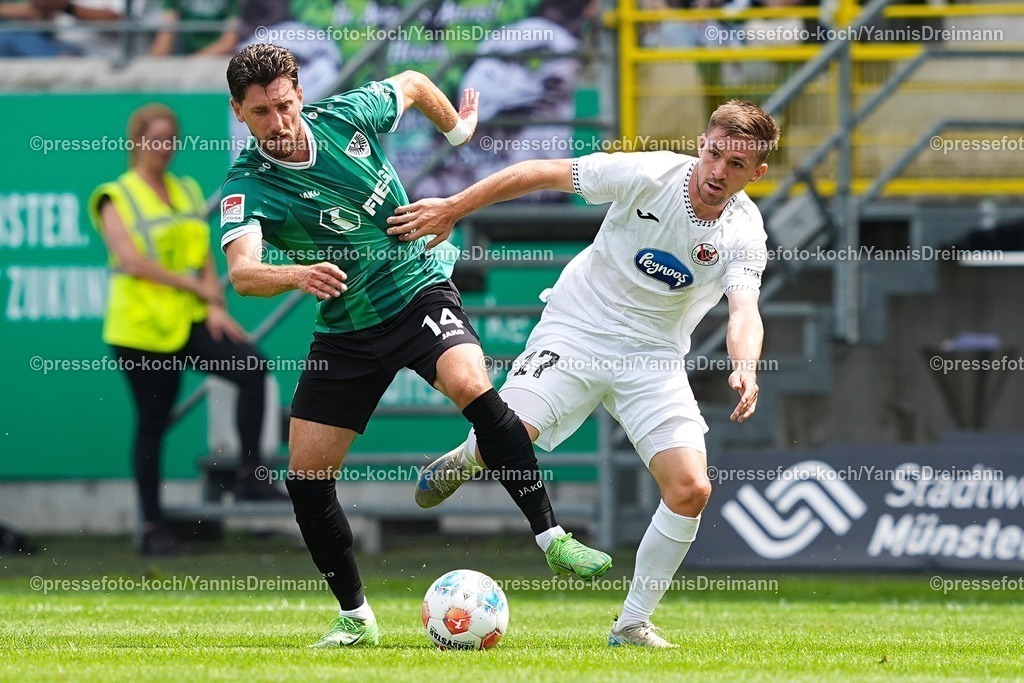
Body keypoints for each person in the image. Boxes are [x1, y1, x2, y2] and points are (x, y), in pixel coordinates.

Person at [219, 43, 612, 649]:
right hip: (346, 329)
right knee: (307, 478)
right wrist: (295, 273)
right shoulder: (248, 186)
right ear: (238, 111)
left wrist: (458, 131)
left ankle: (552, 537)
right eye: (261, 112)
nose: (279, 122)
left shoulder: (348, 115)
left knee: (473, 386)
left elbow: (412, 81)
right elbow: (243, 274)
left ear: (299, 93)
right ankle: (356, 617)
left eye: (285, 105)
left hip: (417, 289)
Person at [391, 101, 780, 648]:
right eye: (714, 154)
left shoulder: (745, 231)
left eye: (736, 165)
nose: (719, 171)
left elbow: (744, 311)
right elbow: (541, 171)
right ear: (701, 143)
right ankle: (472, 455)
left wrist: (745, 366)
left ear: (756, 173)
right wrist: (455, 207)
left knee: (691, 489)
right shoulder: (648, 173)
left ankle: (631, 624)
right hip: (577, 329)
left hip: (653, 357)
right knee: (511, 434)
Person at [89, 103, 280, 557]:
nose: (165, 147)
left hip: (190, 319)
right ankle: (152, 526)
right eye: (156, 139)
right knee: (153, 423)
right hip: (141, 330)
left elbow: (202, 254)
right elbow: (133, 263)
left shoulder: (186, 188)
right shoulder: (114, 195)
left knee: (251, 368)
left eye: (171, 139)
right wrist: (198, 290)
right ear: (138, 141)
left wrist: (213, 304)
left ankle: (250, 476)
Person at [149, 0, 240, 57]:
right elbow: (165, 38)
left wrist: (194, 60)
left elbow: (229, 42)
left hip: (220, 60)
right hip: (185, 55)